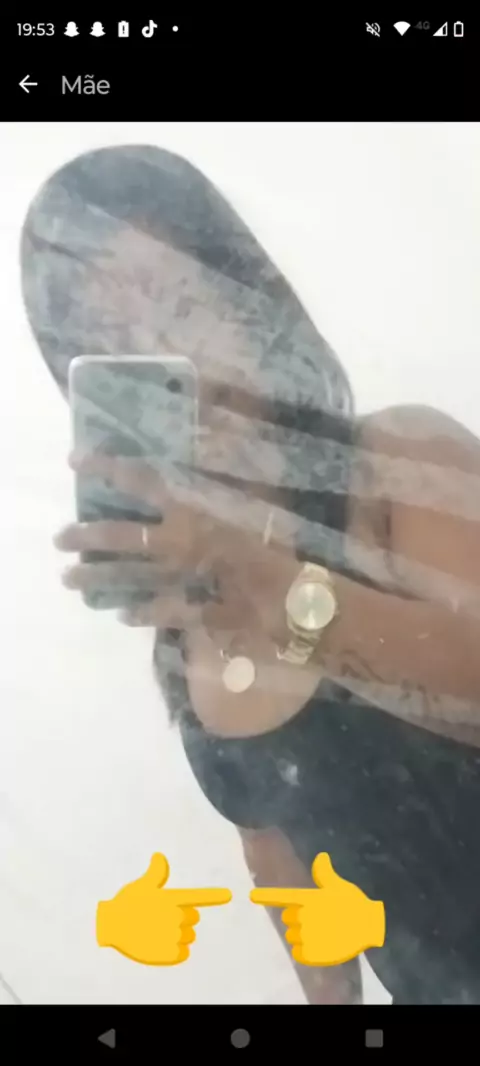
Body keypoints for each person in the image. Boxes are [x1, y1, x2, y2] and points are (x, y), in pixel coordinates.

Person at [21, 145, 480, 1006]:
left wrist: (270, 583)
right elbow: (281, 853)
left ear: (252, 301)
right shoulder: (183, 638)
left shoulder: (397, 465)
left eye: (182, 302)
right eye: (112, 340)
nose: (167, 350)